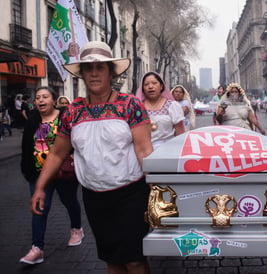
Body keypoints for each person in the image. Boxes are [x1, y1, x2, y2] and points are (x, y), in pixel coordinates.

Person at [30, 41, 153, 273]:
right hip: (94, 198)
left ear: (110, 72)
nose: (94, 73)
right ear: (82, 74)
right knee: (112, 258)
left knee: (134, 258)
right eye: (88, 68)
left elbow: (144, 151)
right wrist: (40, 187)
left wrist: (159, 193)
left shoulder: (130, 106)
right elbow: (57, 153)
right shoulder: (73, 113)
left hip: (131, 196)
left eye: (100, 68)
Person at [20, 87, 84, 265]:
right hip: (39, 174)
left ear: (53, 100)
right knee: (40, 208)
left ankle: (76, 229)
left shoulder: (65, 118)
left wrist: (73, 153)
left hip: (63, 172)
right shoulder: (32, 121)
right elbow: (26, 148)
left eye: (45, 97)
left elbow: (76, 139)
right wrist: (27, 170)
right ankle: (37, 248)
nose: (41, 100)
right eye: (38, 97)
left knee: (69, 201)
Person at [137, 71, 185, 150]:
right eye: (146, 84)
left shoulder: (172, 106)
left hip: (167, 153)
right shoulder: (137, 107)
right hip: (143, 153)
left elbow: (180, 135)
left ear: (161, 86)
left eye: (154, 83)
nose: (150, 86)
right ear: (143, 88)